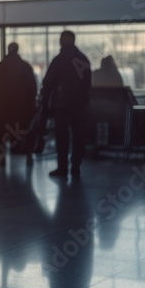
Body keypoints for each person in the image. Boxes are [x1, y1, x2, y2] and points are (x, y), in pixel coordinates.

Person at [41, 30, 91, 179]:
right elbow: (87, 82)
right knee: (78, 135)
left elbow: (48, 82)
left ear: (62, 41)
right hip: (80, 105)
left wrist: (44, 103)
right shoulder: (83, 59)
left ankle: (62, 167)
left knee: (62, 136)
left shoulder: (59, 59)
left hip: (61, 105)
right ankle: (76, 166)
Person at [0, 42, 37, 154]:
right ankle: (21, 151)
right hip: (21, 107)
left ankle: (1, 156)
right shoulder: (25, 66)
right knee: (19, 130)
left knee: (1, 131)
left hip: (2, 106)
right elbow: (32, 87)